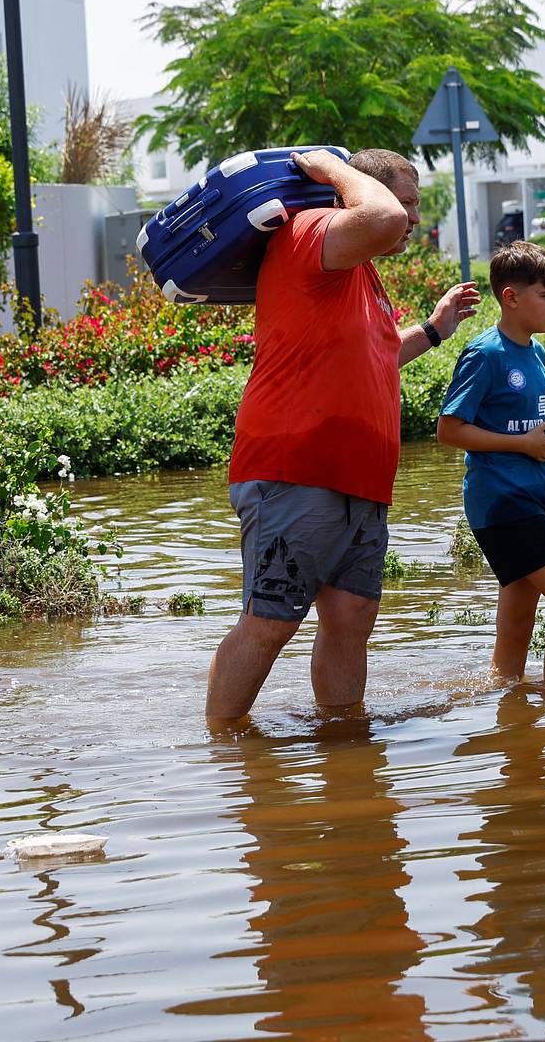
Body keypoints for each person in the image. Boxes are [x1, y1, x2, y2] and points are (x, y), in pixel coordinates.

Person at [206, 148, 480, 721]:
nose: (409, 219)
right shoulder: (309, 234)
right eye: (404, 202)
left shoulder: (358, 273)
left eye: (414, 206)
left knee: (351, 621)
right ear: (354, 192)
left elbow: (376, 357)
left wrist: (435, 328)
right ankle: (225, 758)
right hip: (297, 471)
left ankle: (342, 744)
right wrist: (325, 166)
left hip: (359, 480)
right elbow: (378, 218)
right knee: (271, 621)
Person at [437, 241, 545, 683]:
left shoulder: (537, 353)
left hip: (536, 495)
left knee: (518, 623)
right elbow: (448, 430)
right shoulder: (485, 354)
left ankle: (515, 721)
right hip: (503, 502)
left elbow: (528, 428)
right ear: (511, 297)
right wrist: (523, 443)